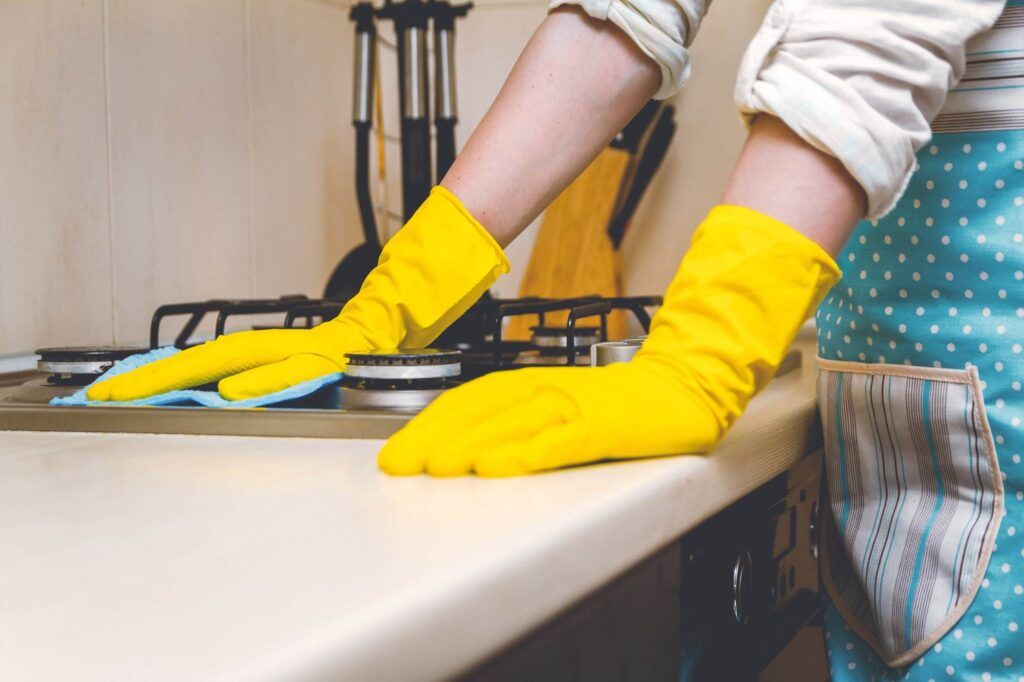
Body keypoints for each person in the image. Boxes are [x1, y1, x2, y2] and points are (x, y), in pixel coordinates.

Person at [87, 0, 1020, 676]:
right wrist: (393, 302)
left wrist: (704, 348)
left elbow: (872, 27)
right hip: (913, 387)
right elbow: (621, 17)